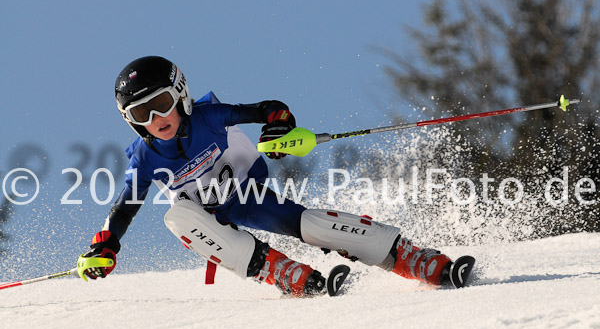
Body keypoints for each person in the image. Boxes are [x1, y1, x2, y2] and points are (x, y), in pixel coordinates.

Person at [80, 56, 473, 297]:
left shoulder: (208, 118)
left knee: (309, 223)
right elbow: (124, 208)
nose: (156, 120)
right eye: (140, 115)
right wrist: (106, 247)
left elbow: (270, 109)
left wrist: (279, 128)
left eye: (161, 104)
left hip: (246, 195)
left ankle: (409, 257)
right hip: (209, 221)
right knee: (176, 217)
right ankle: (276, 270)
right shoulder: (147, 157)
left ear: (180, 94)